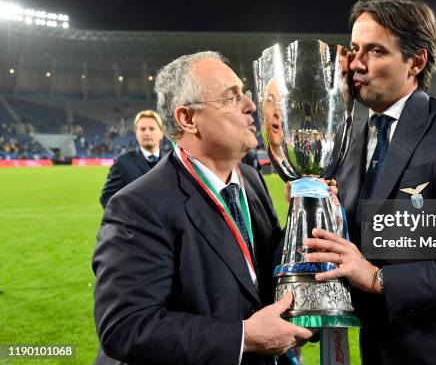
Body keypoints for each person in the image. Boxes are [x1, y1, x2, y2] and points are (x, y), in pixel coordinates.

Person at [304, 0, 436, 364]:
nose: (356, 63)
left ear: (416, 61)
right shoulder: (349, 140)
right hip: (380, 348)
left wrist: (378, 279)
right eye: (354, 49)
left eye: (375, 51)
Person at [92, 51, 312, 365]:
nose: (251, 106)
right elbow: (126, 327)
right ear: (188, 119)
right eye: (232, 97)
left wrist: (302, 214)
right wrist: (243, 337)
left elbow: (260, 272)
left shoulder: (250, 179)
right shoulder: (137, 205)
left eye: (245, 94)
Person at [99, 110, 165, 208]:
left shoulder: (174, 162)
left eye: (152, 129)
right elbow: (107, 197)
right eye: (142, 129)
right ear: (136, 134)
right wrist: (125, 219)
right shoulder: (122, 163)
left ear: (162, 133)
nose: (147, 133)